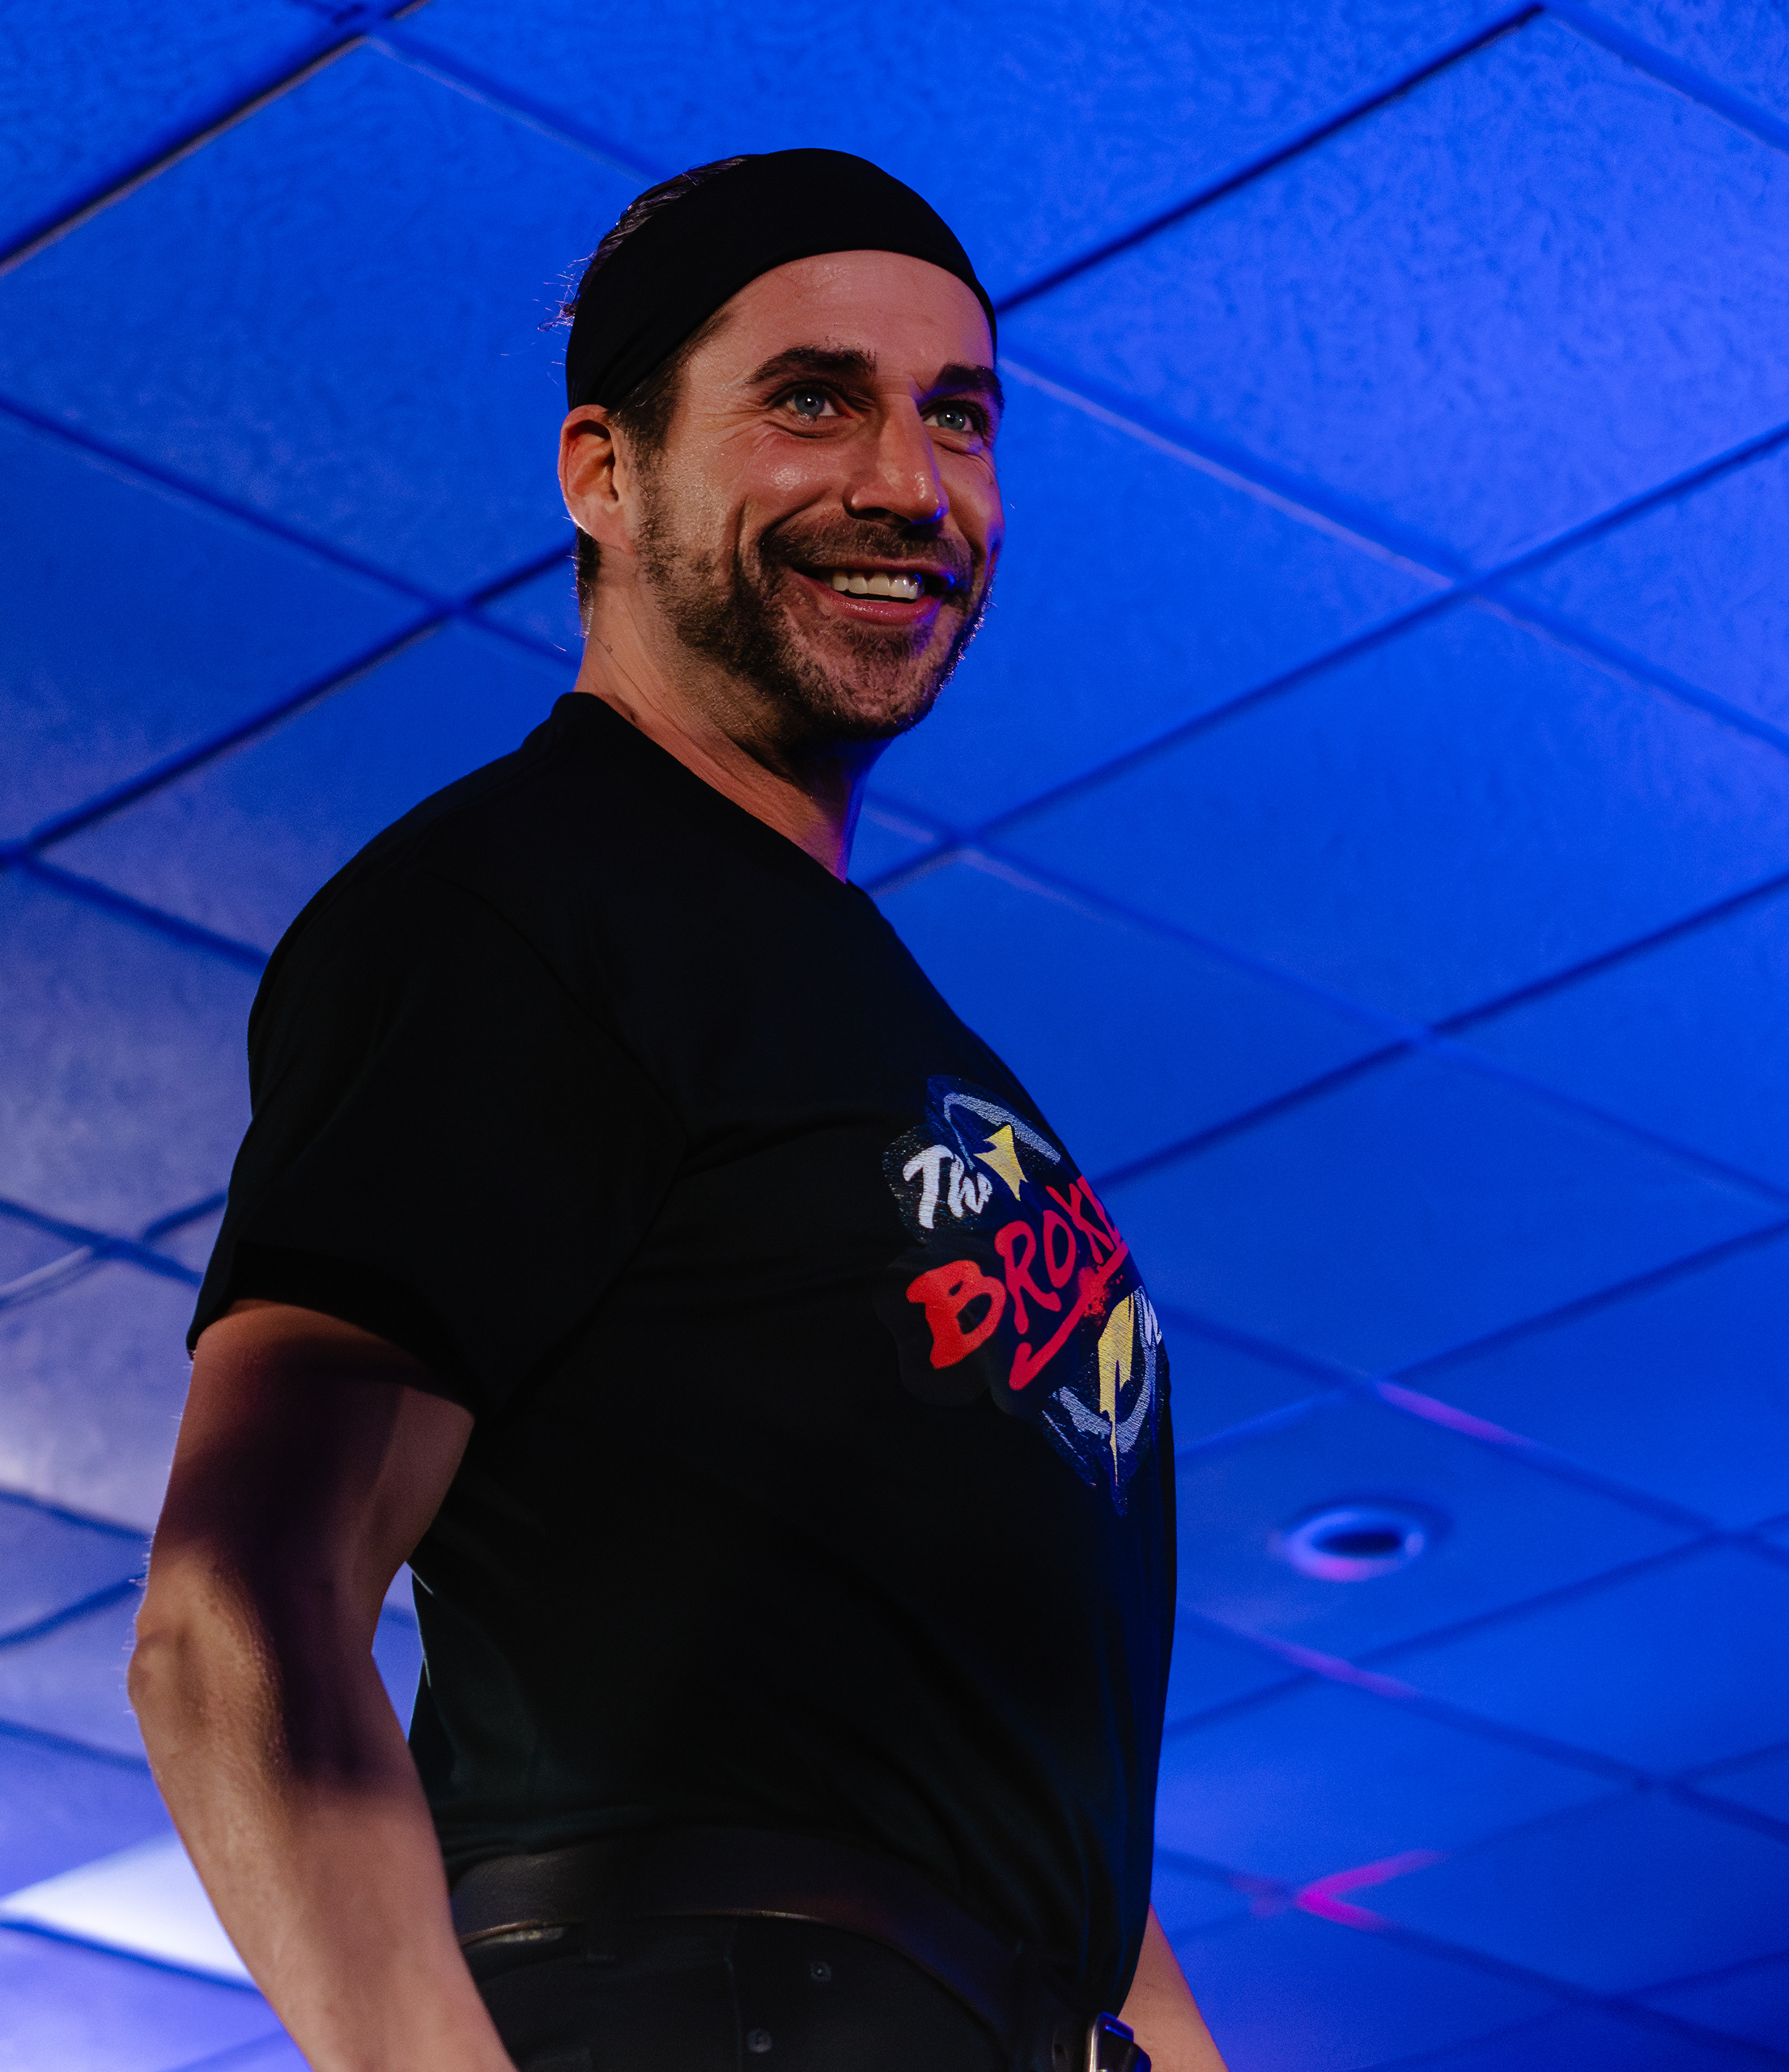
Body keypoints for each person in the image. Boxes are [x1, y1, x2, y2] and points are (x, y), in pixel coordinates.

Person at [130, 149, 1222, 2072]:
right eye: (813, 398)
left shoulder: (893, 1030)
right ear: (604, 475)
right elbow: (232, 1620)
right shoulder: (518, 904)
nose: (909, 480)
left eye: (958, 415)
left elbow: (1037, 1798)